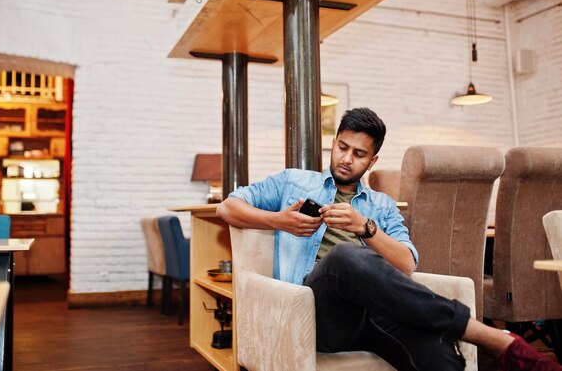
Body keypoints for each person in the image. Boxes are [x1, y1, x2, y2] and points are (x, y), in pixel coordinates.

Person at [217, 107, 561, 371]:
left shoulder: (381, 206)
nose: (347, 159)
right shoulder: (293, 182)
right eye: (342, 147)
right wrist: (280, 221)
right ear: (334, 142)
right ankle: (482, 333)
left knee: (439, 354)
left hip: (372, 313)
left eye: (359, 154)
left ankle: (485, 344)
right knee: (344, 259)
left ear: (374, 160)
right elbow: (227, 208)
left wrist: (366, 229)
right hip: (316, 312)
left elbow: (407, 264)